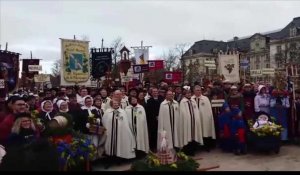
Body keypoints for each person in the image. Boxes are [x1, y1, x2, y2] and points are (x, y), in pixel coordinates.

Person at [102, 100, 136, 168]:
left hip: (120, 133)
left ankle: (118, 160)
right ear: (111, 104)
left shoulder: (122, 112)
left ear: (119, 104)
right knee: (109, 146)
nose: (116, 104)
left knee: (118, 146)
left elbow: (125, 123)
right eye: (114, 103)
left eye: (117, 103)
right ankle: (109, 161)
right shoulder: (107, 112)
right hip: (110, 133)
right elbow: (104, 121)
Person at [180, 86, 203, 156]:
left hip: (194, 122)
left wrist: (197, 119)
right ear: (184, 94)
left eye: (189, 93)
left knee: (194, 135)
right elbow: (183, 113)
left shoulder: (193, 101)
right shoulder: (183, 102)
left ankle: (193, 150)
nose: (188, 95)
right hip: (187, 123)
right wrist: (187, 119)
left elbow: (196, 111)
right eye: (187, 93)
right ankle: (187, 151)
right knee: (188, 135)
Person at [192, 85, 216, 151]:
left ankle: (206, 146)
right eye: (197, 90)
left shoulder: (205, 99)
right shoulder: (191, 99)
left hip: (204, 119)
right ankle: (196, 147)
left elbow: (208, 110)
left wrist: (208, 118)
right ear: (194, 91)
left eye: (199, 90)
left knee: (205, 131)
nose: (198, 91)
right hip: (195, 119)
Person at [145, 87, 163, 152]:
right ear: (151, 93)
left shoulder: (161, 99)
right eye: (154, 92)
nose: (155, 93)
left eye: (156, 91)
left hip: (161, 119)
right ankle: (153, 147)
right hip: (153, 120)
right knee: (153, 134)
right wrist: (155, 116)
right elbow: (149, 112)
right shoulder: (149, 101)